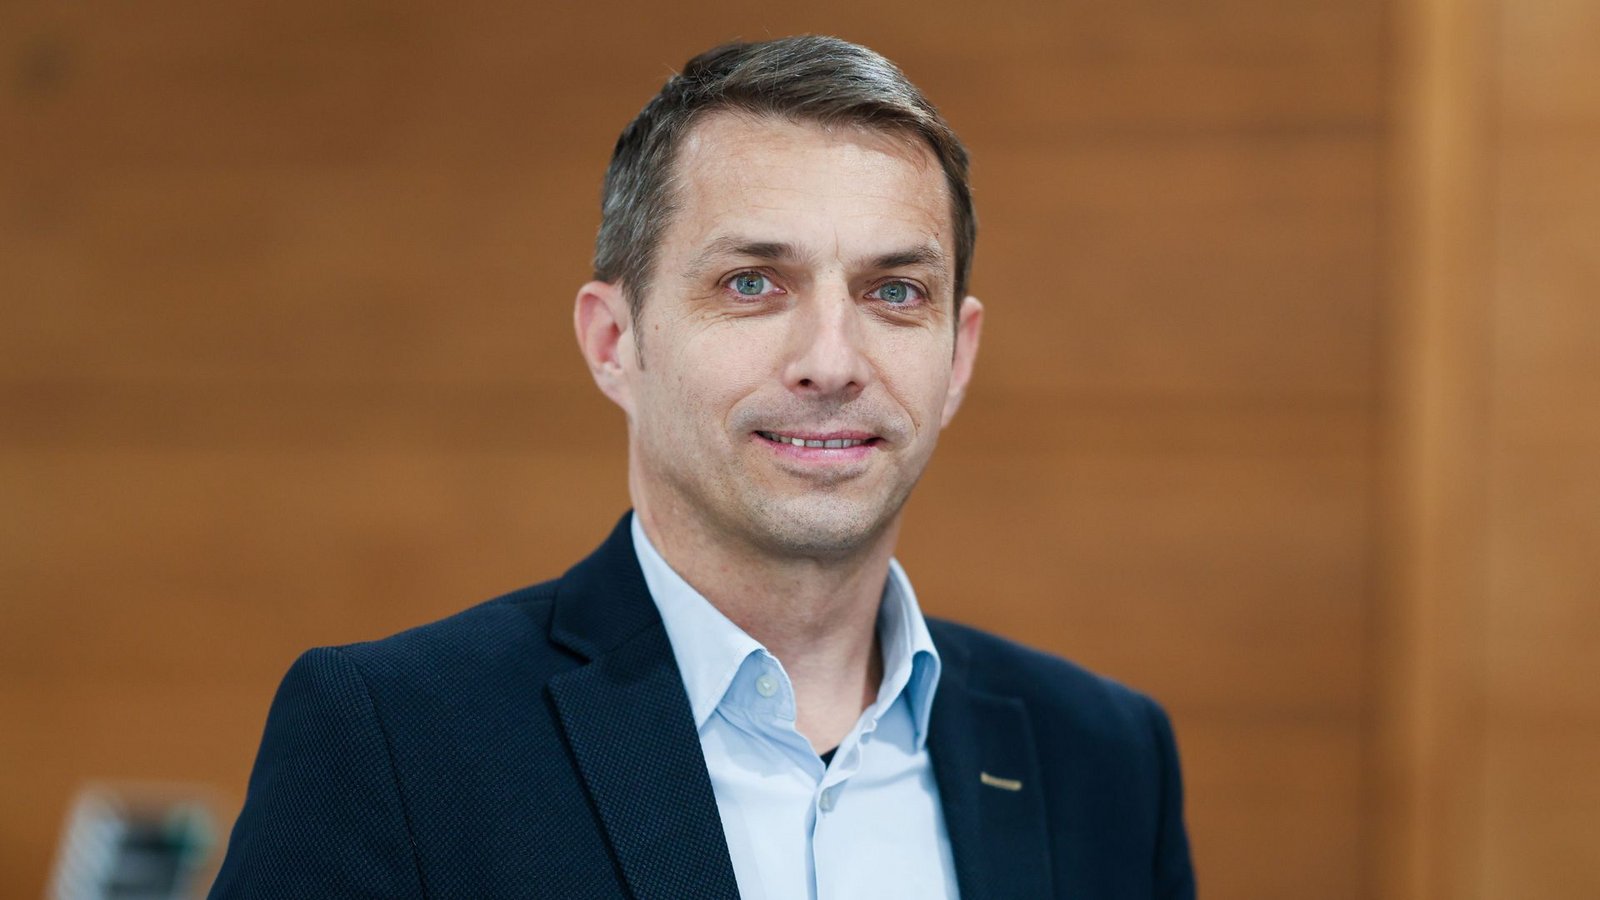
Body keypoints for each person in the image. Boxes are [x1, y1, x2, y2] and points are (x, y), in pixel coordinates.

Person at [209, 35, 1195, 900]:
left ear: (958, 357)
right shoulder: (393, 744)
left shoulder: (1103, 759)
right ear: (613, 341)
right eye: (752, 283)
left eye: (894, 291)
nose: (832, 361)